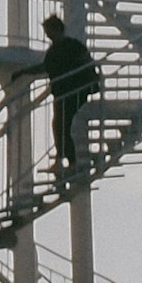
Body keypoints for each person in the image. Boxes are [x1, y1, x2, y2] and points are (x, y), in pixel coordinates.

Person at [37, 13, 101, 181]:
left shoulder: (72, 46)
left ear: (57, 29)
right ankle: (62, 160)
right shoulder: (54, 50)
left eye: (49, 31)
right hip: (61, 93)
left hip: (74, 92)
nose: (47, 35)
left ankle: (70, 161)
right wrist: (23, 72)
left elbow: (87, 62)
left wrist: (89, 81)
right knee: (59, 125)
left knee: (62, 125)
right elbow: (45, 67)